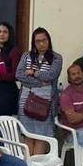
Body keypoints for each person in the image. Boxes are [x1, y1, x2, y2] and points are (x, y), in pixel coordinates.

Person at [16, 28, 63, 156]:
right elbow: (19, 74)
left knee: (41, 137)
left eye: (44, 40)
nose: (41, 43)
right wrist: (39, 83)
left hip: (45, 103)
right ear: (33, 43)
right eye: (38, 41)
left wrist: (34, 73)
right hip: (25, 102)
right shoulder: (26, 56)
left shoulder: (56, 58)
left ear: (48, 40)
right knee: (28, 136)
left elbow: (51, 75)